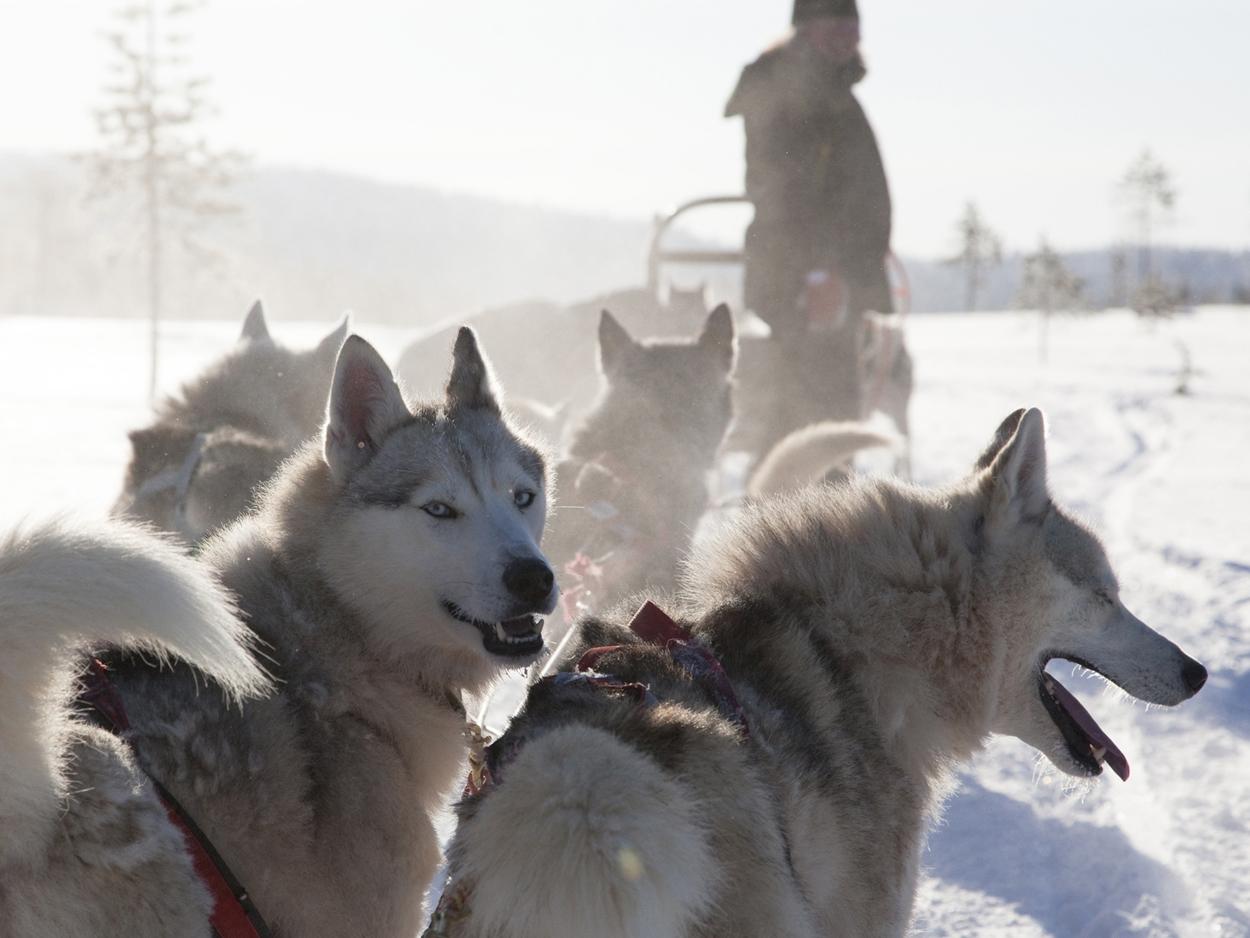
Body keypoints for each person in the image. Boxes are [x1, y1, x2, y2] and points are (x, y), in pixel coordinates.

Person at [726, 0, 893, 338]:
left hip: (841, 279)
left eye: (852, 29)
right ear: (805, 29)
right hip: (801, 285)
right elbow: (780, 189)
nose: (847, 39)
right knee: (807, 383)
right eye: (835, 28)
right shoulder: (783, 90)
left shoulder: (836, 94)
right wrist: (818, 271)